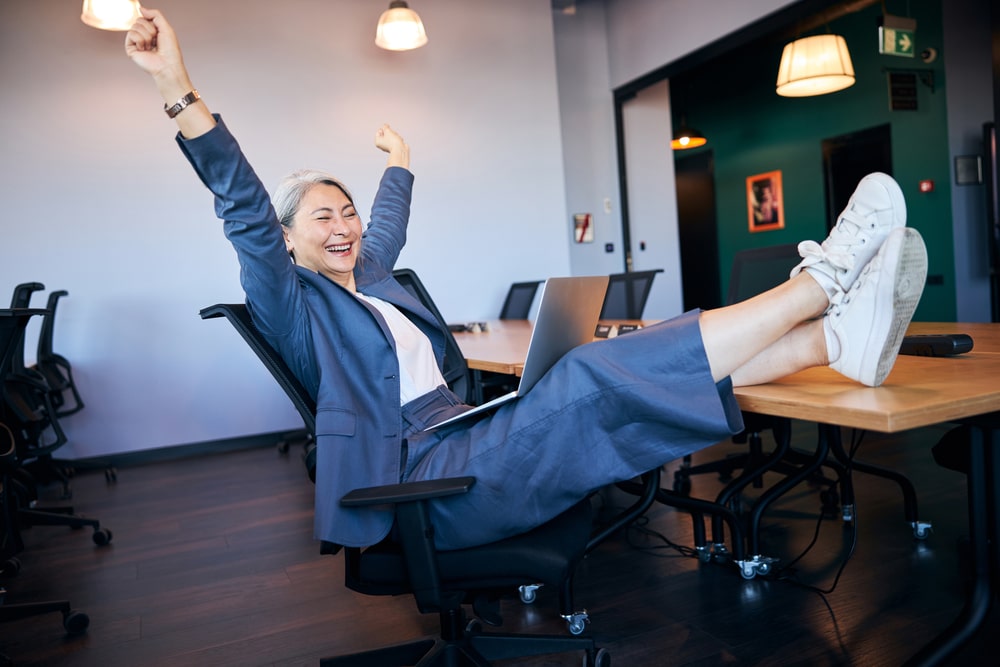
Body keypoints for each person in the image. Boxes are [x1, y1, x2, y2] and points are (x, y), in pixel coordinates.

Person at [125, 9, 928, 551]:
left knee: (618, 383)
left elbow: (388, 222)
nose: (343, 228)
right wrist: (175, 88)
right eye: (321, 220)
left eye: (347, 213)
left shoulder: (369, 274)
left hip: (466, 432)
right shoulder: (295, 305)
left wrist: (399, 162)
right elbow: (241, 206)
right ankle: (816, 289)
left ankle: (833, 340)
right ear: (289, 244)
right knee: (589, 377)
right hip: (423, 481)